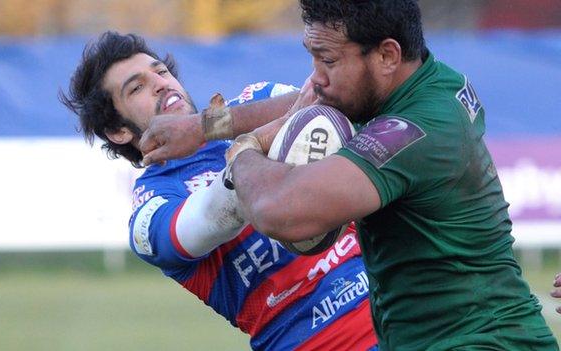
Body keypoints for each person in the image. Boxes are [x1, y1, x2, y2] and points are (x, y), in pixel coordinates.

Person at [138, 1, 559, 350]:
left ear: (387, 55)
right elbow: (305, 103)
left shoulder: (411, 131)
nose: (315, 76)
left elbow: (280, 212)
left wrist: (243, 151)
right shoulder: (419, 83)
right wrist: (204, 127)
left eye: (327, 60)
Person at [60, 31, 377, 350]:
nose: (160, 82)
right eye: (137, 87)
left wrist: (211, 126)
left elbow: (330, 104)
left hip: (399, 307)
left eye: (160, 71)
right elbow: (213, 217)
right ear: (118, 131)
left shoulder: (253, 101)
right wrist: (254, 145)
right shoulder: (152, 208)